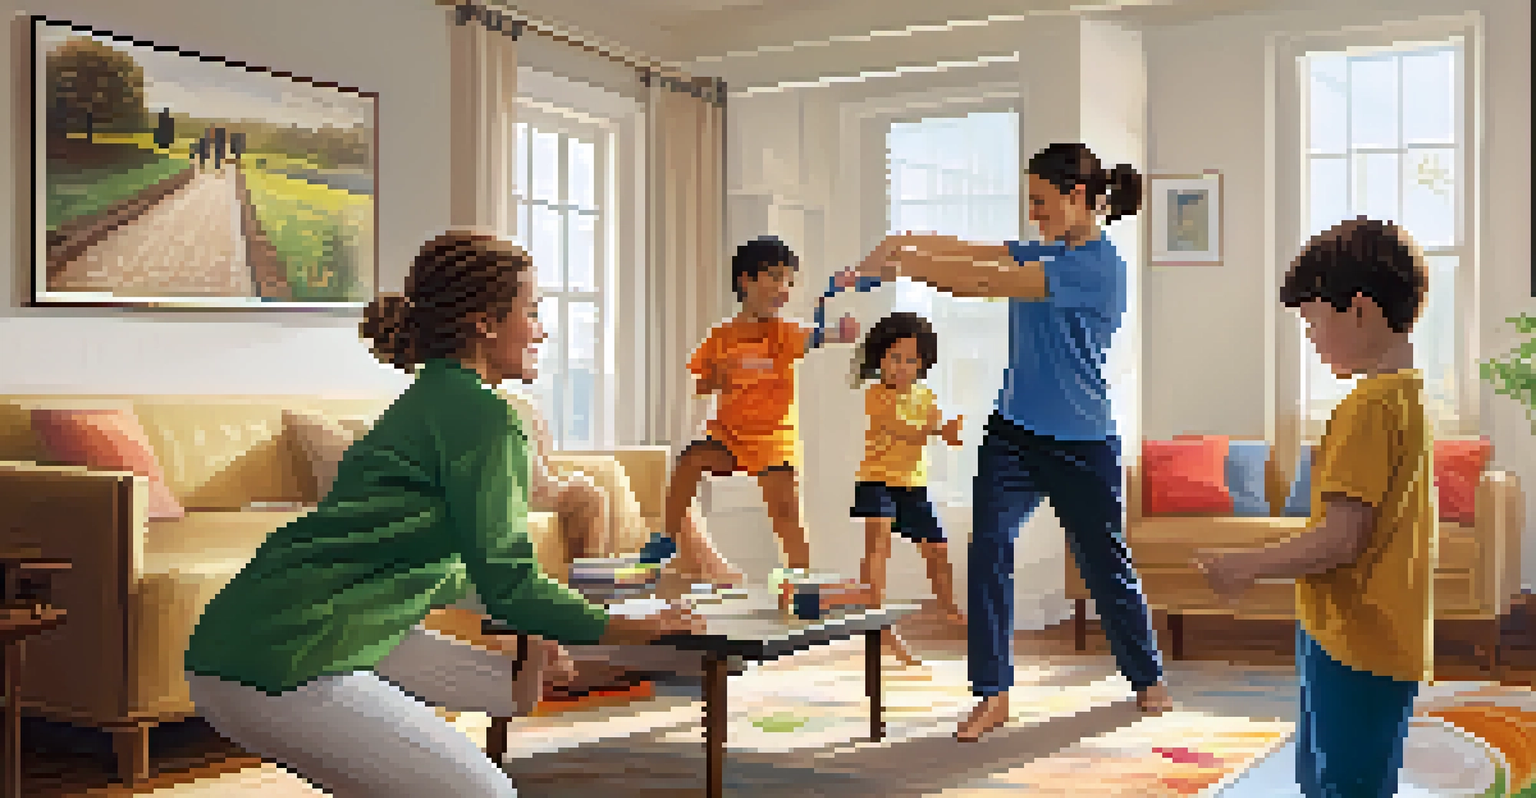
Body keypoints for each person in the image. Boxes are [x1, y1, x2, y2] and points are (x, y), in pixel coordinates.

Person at [182, 230, 702, 797]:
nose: (541, 329)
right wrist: (634, 627)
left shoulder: (424, 401)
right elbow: (507, 582)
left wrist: (543, 627)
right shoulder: (487, 417)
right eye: (531, 311)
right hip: (290, 653)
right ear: (485, 322)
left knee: (507, 691)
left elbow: (442, 567)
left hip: (248, 637)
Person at [856, 142, 1171, 742]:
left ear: (1078, 197)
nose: (1033, 213)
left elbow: (980, 280)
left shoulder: (1096, 268)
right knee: (988, 548)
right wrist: (902, 241)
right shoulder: (1050, 250)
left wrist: (904, 267)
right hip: (1014, 434)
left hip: (1082, 441)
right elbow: (976, 251)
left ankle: (1147, 675)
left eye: (1041, 202)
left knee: (1104, 565)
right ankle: (992, 693)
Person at [1198, 217, 1432, 798]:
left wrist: (1245, 565)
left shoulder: (1367, 408)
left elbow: (1340, 539)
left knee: (1342, 781)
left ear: (1360, 311)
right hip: (1379, 635)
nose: (1311, 337)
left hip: (1352, 639)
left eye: (1312, 320)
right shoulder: (1410, 397)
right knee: (1348, 772)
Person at [663, 235, 859, 586]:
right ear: (746, 281)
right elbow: (701, 388)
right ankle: (667, 541)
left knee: (786, 516)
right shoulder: (721, 337)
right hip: (730, 438)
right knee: (688, 462)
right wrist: (703, 404)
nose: (783, 288)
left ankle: (803, 585)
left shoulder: (783, 333)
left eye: (788, 280)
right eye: (774, 277)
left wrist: (839, 332)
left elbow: (814, 335)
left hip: (773, 440)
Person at [851, 311, 966, 665]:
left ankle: (948, 608)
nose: (901, 367)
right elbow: (901, 428)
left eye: (911, 360)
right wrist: (936, 432)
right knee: (878, 544)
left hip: (913, 484)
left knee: (937, 548)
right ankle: (875, 619)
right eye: (894, 358)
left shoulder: (926, 396)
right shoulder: (875, 395)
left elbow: (936, 423)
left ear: (922, 364)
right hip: (877, 480)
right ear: (880, 359)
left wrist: (948, 430)